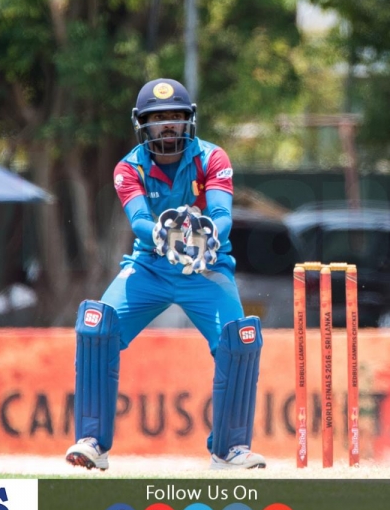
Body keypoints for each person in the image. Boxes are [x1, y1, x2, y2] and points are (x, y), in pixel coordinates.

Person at [65, 78, 265, 471]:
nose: (168, 125)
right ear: (142, 124)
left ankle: (229, 450)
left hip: (206, 268)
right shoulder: (129, 167)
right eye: (158, 118)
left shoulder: (212, 157)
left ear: (189, 120)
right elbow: (139, 220)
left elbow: (222, 214)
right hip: (150, 266)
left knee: (238, 340)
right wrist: (163, 235)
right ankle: (92, 442)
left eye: (175, 116)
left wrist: (208, 236)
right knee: (97, 327)